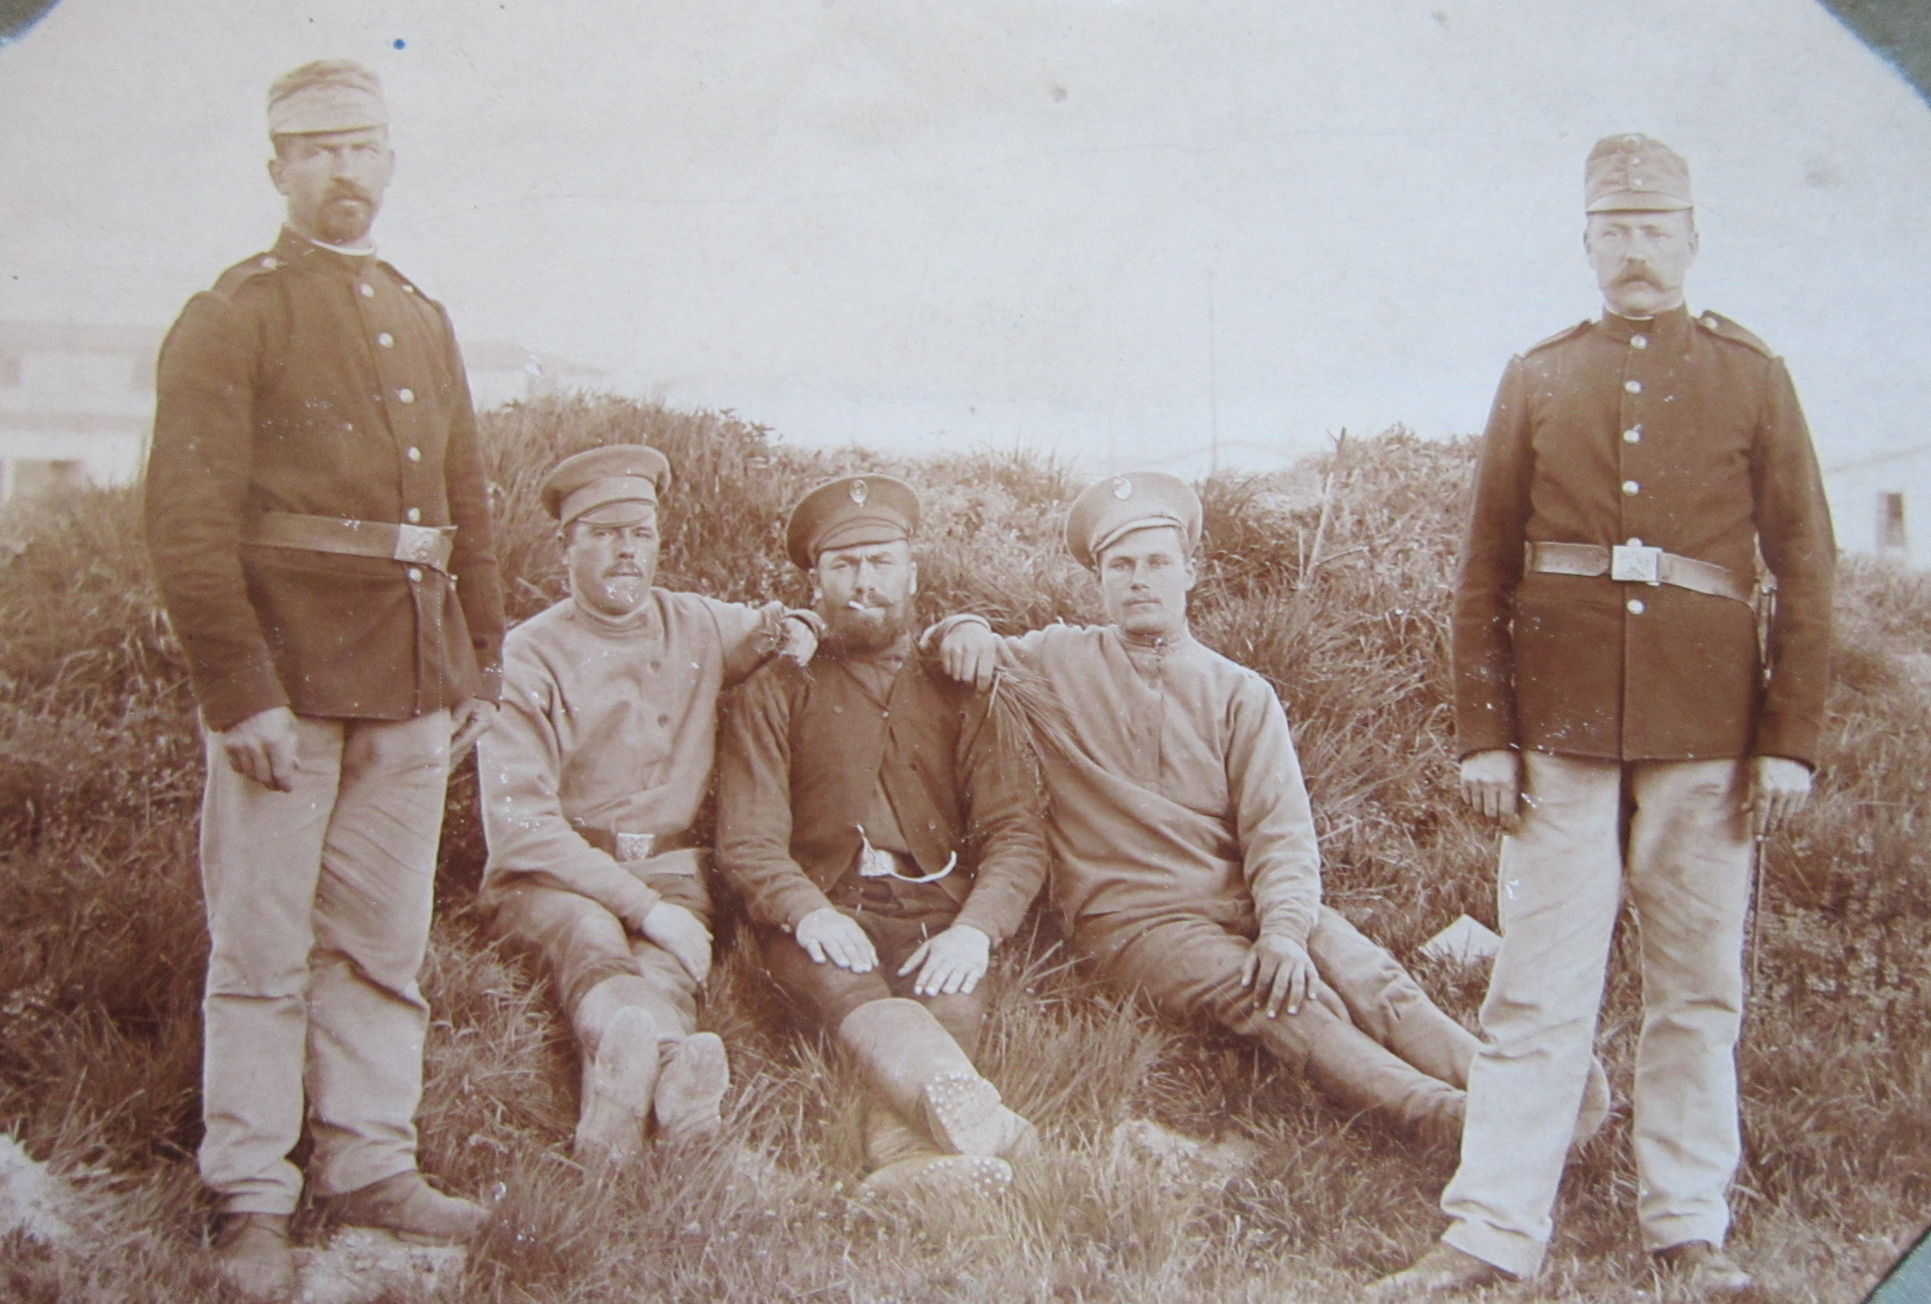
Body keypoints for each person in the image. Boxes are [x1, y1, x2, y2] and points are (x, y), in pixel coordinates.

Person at [1374, 134, 1835, 1298]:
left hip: (1708, 732)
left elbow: (1805, 564)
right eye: (1614, 229)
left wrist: (1786, 739)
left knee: (1696, 990)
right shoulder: (1539, 374)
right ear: (1585, 242)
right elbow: (1481, 568)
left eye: (1653, 228)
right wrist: (1485, 732)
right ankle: (1490, 1228)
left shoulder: (1750, 375)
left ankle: (1686, 1227)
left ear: (1691, 238)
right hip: (1559, 734)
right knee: (1534, 987)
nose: (1634, 250)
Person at [931, 474, 1599, 1151]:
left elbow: (1280, 833)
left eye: (1157, 563)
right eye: (1121, 566)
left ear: (1191, 573)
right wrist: (965, 627)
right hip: (1133, 920)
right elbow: (943, 647)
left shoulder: (1240, 693)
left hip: (1242, 897)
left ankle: (1511, 1086)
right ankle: (1443, 1119)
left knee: (1370, 976)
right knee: (1278, 1001)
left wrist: (1283, 931)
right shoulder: (1053, 659)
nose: (1139, 581)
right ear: (1098, 580)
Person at [143, 60, 506, 1300]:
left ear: (388, 161)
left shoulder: (419, 314)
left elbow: (463, 497)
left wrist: (479, 655)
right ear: (278, 169)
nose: (343, 169)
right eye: (317, 149)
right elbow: (185, 522)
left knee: (381, 943)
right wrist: (236, 689)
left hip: (411, 676)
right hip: (285, 681)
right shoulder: (233, 312)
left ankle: (370, 1163)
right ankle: (251, 1188)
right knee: (261, 947)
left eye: (362, 145)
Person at [476, 445, 817, 1165]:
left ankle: (618, 1116)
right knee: (592, 939)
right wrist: (648, 909)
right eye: (604, 535)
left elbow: (776, 625)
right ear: (565, 547)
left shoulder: (695, 622)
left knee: (664, 969)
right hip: (556, 878)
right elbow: (521, 827)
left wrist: (800, 629)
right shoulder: (527, 655)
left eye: (640, 534)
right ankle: (675, 1102)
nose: (626, 551)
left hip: (668, 871)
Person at [715, 474, 1047, 1201]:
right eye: (844, 565)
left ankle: (904, 1160)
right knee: (853, 992)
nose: (864, 581)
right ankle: (991, 1136)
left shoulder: (960, 681)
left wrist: (975, 932)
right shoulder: (778, 686)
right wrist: (809, 913)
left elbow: (1016, 832)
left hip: (936, 910)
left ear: (912, 574)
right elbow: (748, 840)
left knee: (952, 1000)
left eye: (880, 562)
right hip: (824, 905)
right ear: (816, 582)